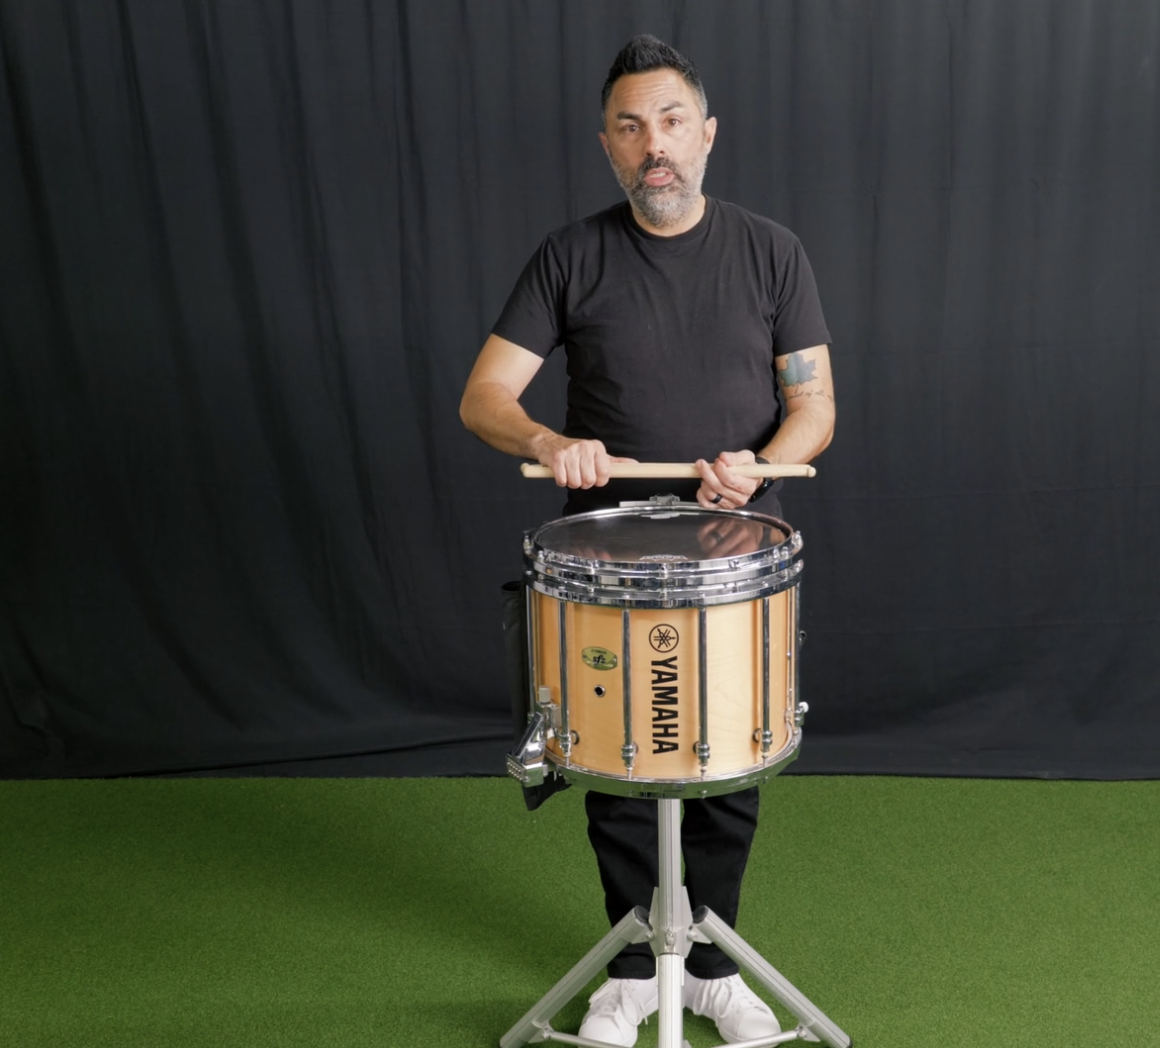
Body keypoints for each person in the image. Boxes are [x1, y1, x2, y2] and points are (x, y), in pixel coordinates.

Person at [460, 35, 836, 1047]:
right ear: (607, 146)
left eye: (670, 122)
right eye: (630, 127)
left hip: (734, 552)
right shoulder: (569, 256)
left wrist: (760, 461)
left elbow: (814, 409)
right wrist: (547, 439)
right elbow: (484, 396)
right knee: (622, 770)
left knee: (724, 767)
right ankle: (631, 968)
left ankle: (712, 964)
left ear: (706, 135)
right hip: (609, 563)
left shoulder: (772, 251)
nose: (652, 145)